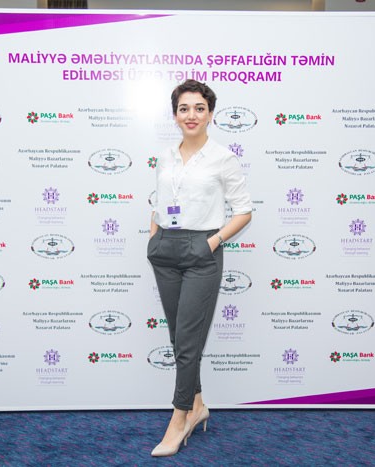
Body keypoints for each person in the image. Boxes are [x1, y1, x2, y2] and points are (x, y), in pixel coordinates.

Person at [147, 80, 252, 457]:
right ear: (175, 115)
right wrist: (154, 239)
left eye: (199, 108)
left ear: (210, 114)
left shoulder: (223, 158)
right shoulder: (165, 156)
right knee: (179, 340)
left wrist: (211, 242)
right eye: (184, 108)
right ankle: (198, 404)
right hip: (165, 248)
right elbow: (159, 203)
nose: (191, 115)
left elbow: (244, 211)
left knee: (189, 342)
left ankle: (179, 419)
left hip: (201, 250)